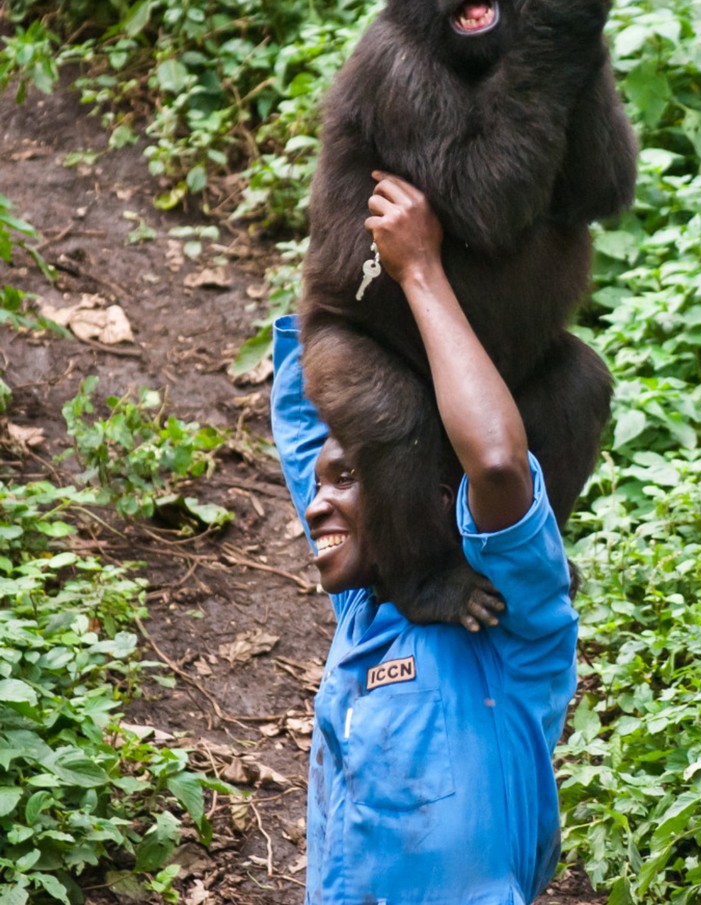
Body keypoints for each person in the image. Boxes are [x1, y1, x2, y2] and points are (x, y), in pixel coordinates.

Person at [271, 173, 578, 905]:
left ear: (438, 496)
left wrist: (423, 270)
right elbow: (308, 391)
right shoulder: (365, 614)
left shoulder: (511, 621)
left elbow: (497, 461)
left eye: (344, 479)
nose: (314, 507)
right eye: (315, 488)